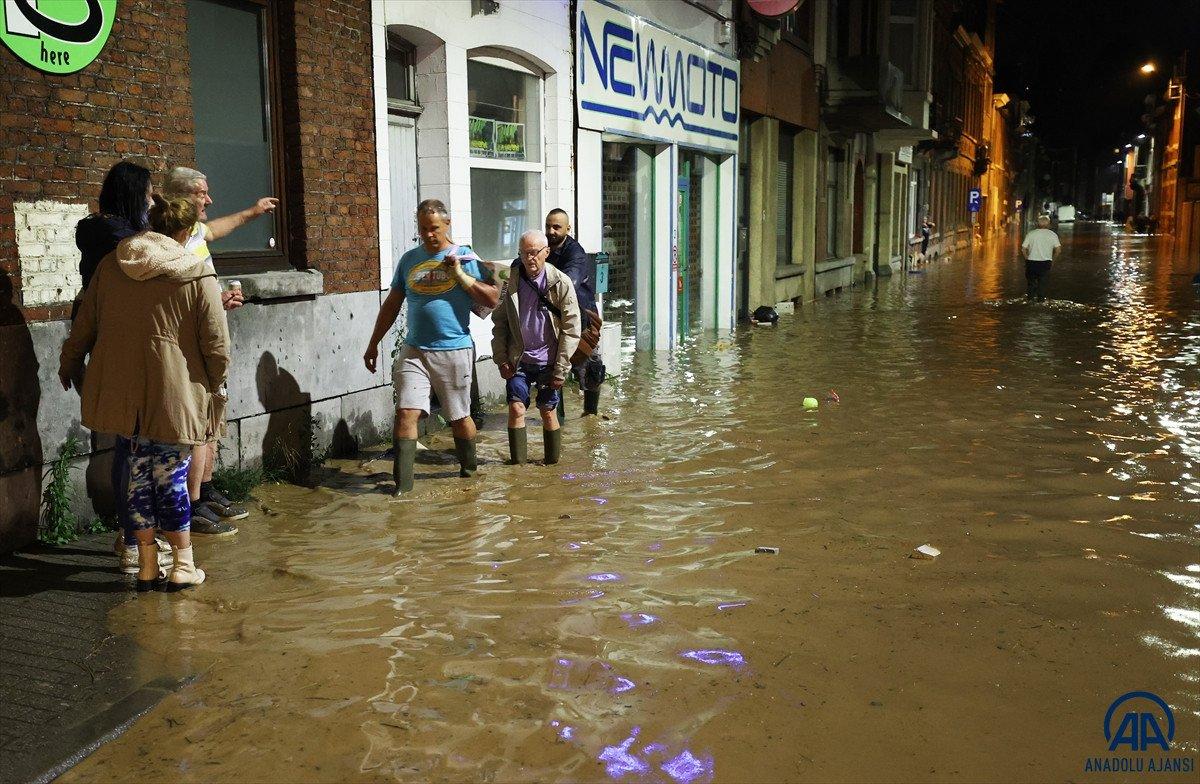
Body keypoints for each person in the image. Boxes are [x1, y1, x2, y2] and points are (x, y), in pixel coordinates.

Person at [60, 195, 229, 592]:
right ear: (185, 232)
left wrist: (69, 363)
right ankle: (184, 565)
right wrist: (214, 384)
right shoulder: (197, 273)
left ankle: (146, 565)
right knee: (170, 477)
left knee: (137, 477)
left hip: (123, 391)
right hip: (174, 392)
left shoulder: (111, 265)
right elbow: (217, 347)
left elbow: (85, 324)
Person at [162, 166, 278, 535]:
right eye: (201, 193)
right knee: (197, 427)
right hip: (190, 350)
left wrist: (253, 212)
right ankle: (192, 505)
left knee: (212, 424)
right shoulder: (168, 243)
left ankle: (206, 491)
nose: (209, 200)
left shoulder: (194, 231)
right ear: (179, 198)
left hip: (211, 341)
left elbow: (215, 230)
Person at [363, 199, 499, 495]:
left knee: (458, 418)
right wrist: (373, 344)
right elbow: (391, 305)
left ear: (447, 225)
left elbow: (492, 298)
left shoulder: (466, 257)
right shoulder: (409, 260)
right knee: (405, 414)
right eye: (423, 229)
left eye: (434, 228)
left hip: (454, 349)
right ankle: (403, 488)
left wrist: (461, 276)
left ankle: (469, 469)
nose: (428, 235)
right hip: (415, 350)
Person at [74, 161, 156, 574]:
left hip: (108, 348)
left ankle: (133, 534)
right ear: (132, 196)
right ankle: (131, 538)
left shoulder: (95, 234)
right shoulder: (126, 244)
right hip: (128, 349)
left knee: (130, 439)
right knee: (134, 441)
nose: (152, 200)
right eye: (147, 193)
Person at [492, 230, 582, 466]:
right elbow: (499, 323)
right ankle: (518, 468)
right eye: (524, 253)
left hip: (550, 361)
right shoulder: (509, 280)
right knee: (516, 408)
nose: (530, 258)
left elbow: (572, 330)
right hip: (519, 359)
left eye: (534, 253)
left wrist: (561, 369)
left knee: (548, 411)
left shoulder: (560, 282)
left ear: (546, 253)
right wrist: (501, 358)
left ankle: (552, 467)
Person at [544, 209, 604, 416]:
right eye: (548, 226)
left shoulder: (575, 253)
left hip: (582, 320)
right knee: (554, 371)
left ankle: (591, 416)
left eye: (556, 227)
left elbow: (567, 283)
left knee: (591, 370)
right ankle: (558, 422)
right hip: (552, 319)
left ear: (568, 229)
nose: (551, 231)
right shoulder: (542, 248)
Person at [1020, 214, 1061, 302]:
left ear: (1037, 224)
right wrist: (1052, 261)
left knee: (1031, 285)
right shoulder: (1052, 235)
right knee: (1042, 285)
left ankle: (1030, 302)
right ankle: (1040, 303)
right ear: (1049, 224)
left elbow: (1023, 249)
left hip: (1031, 263)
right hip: (1045, 263)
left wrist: (1027, 259)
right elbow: (1058, 250)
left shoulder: (1031, 234)